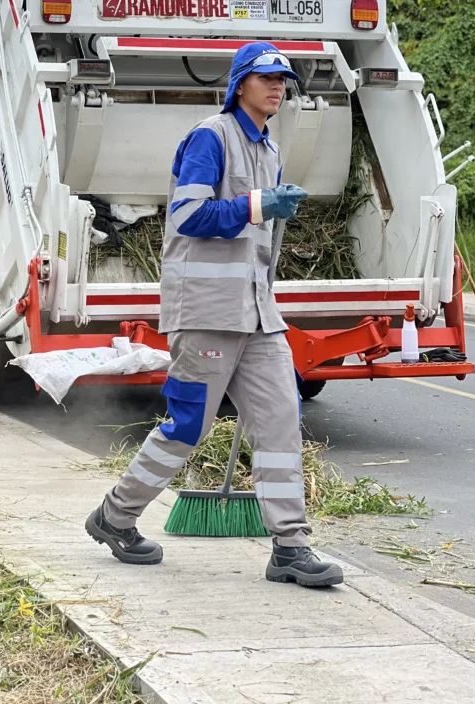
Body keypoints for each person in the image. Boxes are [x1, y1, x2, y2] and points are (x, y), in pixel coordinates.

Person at [85, 41, 343, 588]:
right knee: (188, 428)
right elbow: (189, 215)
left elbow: (256, 241)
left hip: (256, 314)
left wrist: (268, 215)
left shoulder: (269, 149)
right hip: (205, 312)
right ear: (239, 84)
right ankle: (115, 515)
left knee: (280, 422)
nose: (278, 87)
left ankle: (291, 548)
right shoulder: (211, 136)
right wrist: (258, 205)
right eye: (267, 78)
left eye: (284, 80)